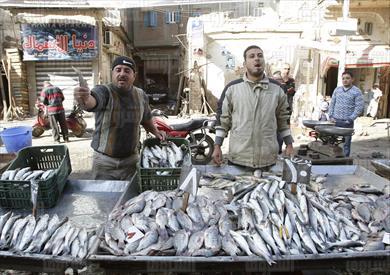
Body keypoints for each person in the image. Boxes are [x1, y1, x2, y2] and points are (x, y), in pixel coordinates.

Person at [73, 56, 164, 180]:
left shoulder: (141, 95)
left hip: (131, 161)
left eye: (127, 70)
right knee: (104, 198)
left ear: (134, 75)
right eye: (118, 70)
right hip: (104, 163)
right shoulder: (104, 91)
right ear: (112, 73)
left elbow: (146, 118)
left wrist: (155, 132)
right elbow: (91, 102)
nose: (122, 74)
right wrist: (83, 97)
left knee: (131, 198)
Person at [213, 45, 294, 171]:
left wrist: (289, 144)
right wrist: (217, 146)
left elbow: (283, 119)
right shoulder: (232, 88)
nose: (257, 59)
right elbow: (223, 119)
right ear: (245, 63)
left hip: (268, 159)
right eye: (252, 56)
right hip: (239, 158)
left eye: (260, 56)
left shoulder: (277, 89)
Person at [328, 71, 364, 157]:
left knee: (346, 144)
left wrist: (351, 118)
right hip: (335, 121)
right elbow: (332, 103)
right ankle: (332, 158)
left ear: (352, 79)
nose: (345, 80)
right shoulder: (337, 90)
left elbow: (359, 107)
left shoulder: (357, 91)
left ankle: (345, 160)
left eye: (347, 78)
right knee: (332, 142)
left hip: (347, 122)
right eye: (343, 78)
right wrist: (330, 115)